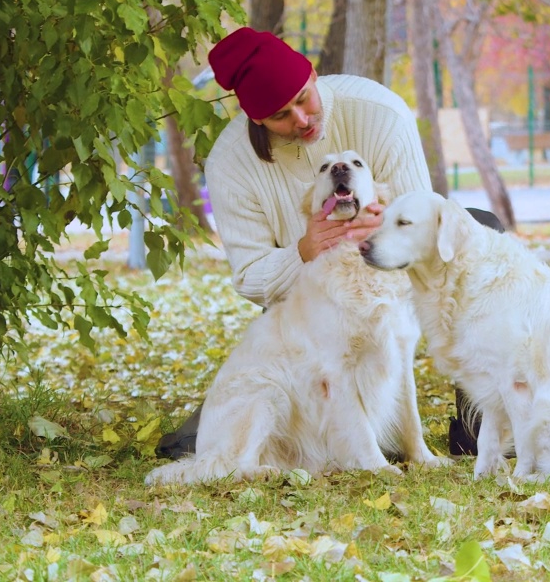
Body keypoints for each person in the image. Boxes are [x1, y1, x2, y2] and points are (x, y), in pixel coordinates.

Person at [156, 27, 499, 460]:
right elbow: (248, 275)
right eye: (281, 115)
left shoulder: (380, 113)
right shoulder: (230, 163)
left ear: (313, 74)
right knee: (199, 445)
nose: (301, 119)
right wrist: (304, 251)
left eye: (303, 99)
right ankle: (305, 433)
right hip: (301, 303)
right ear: (255, 119)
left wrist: (384, 233)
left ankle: (478, 428)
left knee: (483, 227)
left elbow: (426, 221)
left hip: (390, 275)